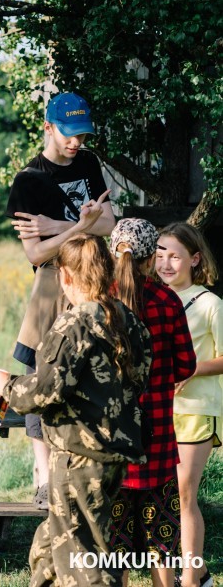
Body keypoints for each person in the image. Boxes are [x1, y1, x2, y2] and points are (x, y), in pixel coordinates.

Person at [0, 234, 152, 587]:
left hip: (78, 456)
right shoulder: (127, 319)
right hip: (112, 452)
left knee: (82, 562)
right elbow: (140, 378)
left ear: (65, 277)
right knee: (49, 548)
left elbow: (44, 391)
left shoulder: (73, 323)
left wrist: (6, 385)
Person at [5, 92, 115, 509]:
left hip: (97, 277)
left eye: (82, 136)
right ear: (48, 127)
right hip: (53, 284)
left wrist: (62, 225)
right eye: (69, 135)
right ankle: (42, 472)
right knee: (40, 371)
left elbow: (109, 221)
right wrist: (75, 229)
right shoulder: (28, 181)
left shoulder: (88, 165)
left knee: (97, 372)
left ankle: (88, 464)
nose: (76, 143)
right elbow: (35, 254)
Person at [108, 218, 196, 587]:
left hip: (111, 441)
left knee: (115, 548)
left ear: (114, 253)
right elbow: (186, 365)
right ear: (150, 258)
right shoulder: (167, 299)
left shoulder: (101, 300)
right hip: (157, 439)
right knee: (162, 541)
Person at [156, 222, 221, 587]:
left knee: (184, 494)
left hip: (198, 408)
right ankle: (201, 574)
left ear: (195, 259)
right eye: (160, 253)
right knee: (163, 497)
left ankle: (190, 579)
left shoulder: (211, 303)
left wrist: (190, 371)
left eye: (175, 255)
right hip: (159, 411)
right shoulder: (151, 298)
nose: (166, 263)